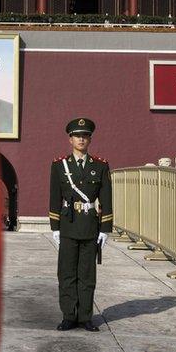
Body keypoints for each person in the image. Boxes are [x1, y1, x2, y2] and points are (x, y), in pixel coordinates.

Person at [49, 118, 112, 332]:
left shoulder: (101, 166)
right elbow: (54, 197)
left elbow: (106, 198)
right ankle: (68, 315)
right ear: (70, 139)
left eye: (85, 136)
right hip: (68, 225)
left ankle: (85, 317)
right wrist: (55, 227)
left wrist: (105, 229)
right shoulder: (59, 165)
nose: (81, 139)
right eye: (77, 136)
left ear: (90, 139)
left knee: (87, 274)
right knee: (66, 273)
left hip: (89, 227)